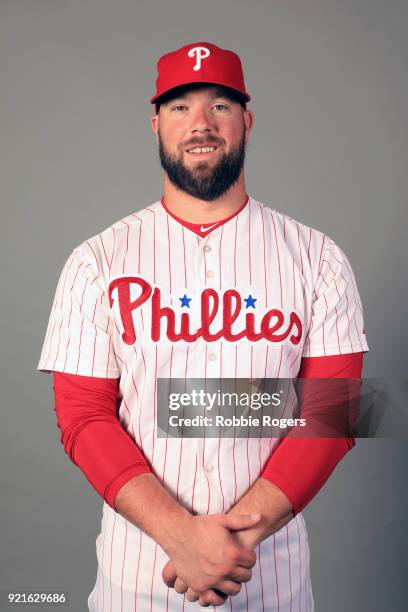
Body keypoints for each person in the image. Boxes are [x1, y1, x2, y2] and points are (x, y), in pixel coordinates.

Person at [37, 41, 369, 611]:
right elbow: (83, 415)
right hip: (138, 578)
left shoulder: (318, 258)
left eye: (219, 105)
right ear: (155, 124)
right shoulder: (97, 260)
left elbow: (331, 414)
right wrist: (180, 536)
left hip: (270, 580)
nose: (200, 124)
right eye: (179, 106)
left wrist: (229, 545)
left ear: (247, 120)